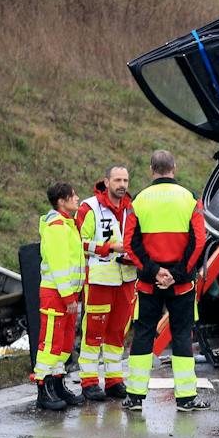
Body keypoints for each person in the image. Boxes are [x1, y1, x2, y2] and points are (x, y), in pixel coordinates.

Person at [125, 149, 209, 412]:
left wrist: (154, 271)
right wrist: (177, 274)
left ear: (152, 170)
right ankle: (185, 398)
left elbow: (130, 243)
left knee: (144, 335)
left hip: (149, 284)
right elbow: (199, 241)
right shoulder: (189, 199)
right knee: (182, 335)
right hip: (181, 285)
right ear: (175, 167)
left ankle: (135, 397)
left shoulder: (138, 201)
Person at [74, 165, 136, 402]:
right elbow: (80, 243)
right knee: (93, 332)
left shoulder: (132, 208)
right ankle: (89, 381)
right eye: (118, 180)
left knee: (118, 332)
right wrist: (109, 248)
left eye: (126, 180)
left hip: (126, 277)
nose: (122, 185)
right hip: (100, 278)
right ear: (107, 182)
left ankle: (114, 379)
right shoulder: (90, 208)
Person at [34, 181, 85, 412]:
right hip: (56, 294)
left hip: (66, 294)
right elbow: (59, 266)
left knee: (64, 344)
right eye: (72, 196)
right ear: (61, 201)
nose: (77, 199)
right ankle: (43, 389)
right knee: (50, 344)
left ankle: (57, 383)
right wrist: (68, 297)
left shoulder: (68, 224)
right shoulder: (56, 227)